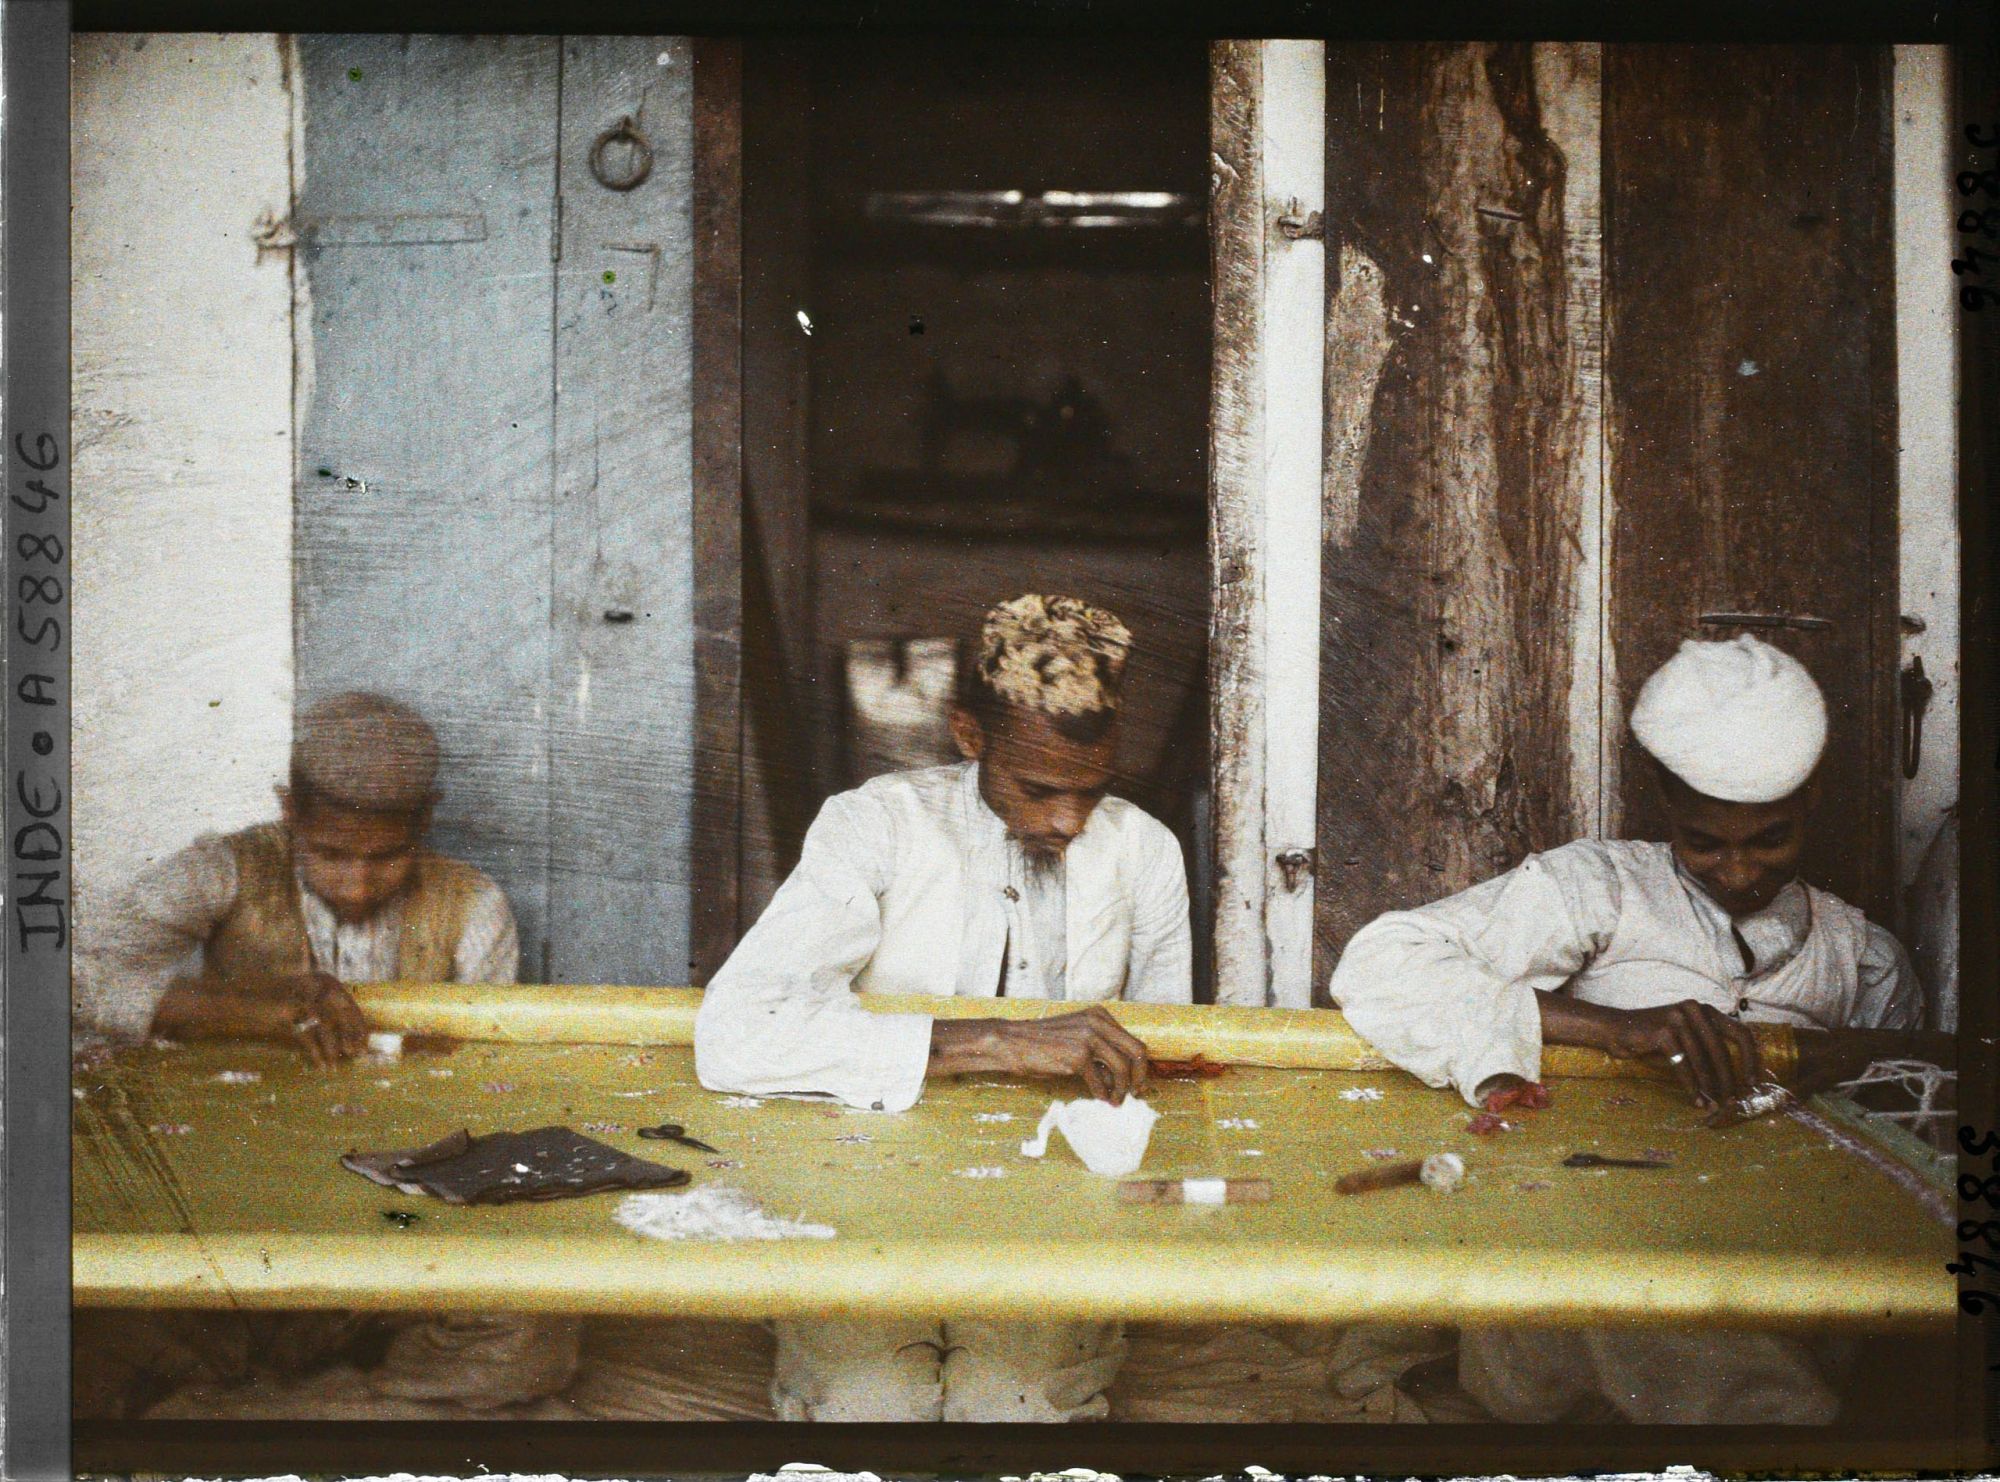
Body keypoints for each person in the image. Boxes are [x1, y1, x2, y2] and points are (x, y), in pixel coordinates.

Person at [1328, 634, 1922, 1424]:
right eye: (1705, 843)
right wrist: (1613, 1029)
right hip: (1587, 1243)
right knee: (1636, 1285)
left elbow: (1922, 1114)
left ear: (1810, 802)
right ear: (1665, 802)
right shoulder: (1600, 889)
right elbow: (1381, 963)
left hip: (1770, 1260)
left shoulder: (1859, 958)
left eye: (1769, 839)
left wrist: (1854, 1055)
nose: (1739, 872)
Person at [695, 593, 1192, 1422]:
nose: (1069, 820)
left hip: (1054, 1205)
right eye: (1039, 788)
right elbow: (736, 1032)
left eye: (1093, 790)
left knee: (1012, 1406)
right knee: (869, 1404)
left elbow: (1163, 1060)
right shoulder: (874, 825)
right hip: (864, 1186)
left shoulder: (1144, 852)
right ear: (969, 734)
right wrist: (997, 1042)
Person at [72, 692, 579, 1421]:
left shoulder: (474, 905)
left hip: (398, 1233)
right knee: (77, 1321)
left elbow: (486, 1085)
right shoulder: (223, 870)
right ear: (289, 811)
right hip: (237, 1223)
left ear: (425, 822)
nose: (358, 884)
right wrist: (253, 1009)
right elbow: (64, 979)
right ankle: (343, 1407)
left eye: (388, 856)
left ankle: (259, 1411)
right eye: (331, 854)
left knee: (533, 1337)